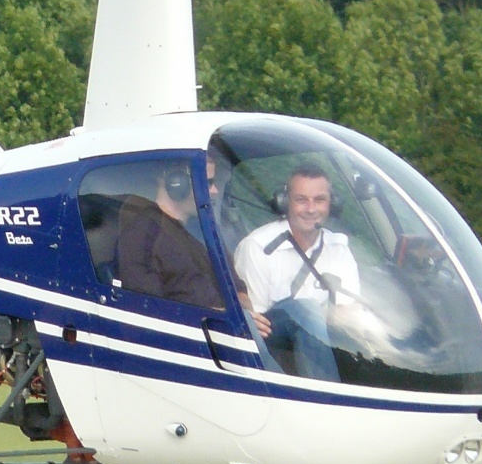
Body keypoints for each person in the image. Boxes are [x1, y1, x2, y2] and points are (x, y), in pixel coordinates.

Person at [231, 164, 360, 381]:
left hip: (323, 339)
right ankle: (327, 398)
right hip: (270, 336)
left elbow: (348, 313)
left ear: (332, 204)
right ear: (285, 202)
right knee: (305, 309)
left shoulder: (339, 248)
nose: (311, 209)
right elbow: (256, 322)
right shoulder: (257, 246)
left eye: (319, 200)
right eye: (301, 200)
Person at [113, 160, 224, 309]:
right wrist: (221, 315)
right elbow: (150, 308)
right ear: (176, 183)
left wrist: (247, 314)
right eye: (208, 182)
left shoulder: (204, 228)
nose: (215, 190)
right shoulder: (141, 236)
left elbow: (235, 285)